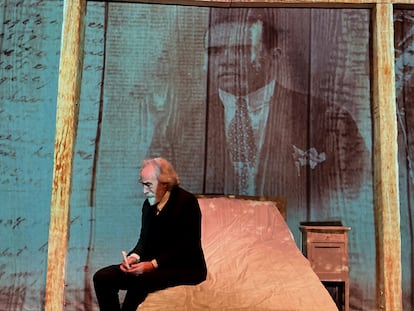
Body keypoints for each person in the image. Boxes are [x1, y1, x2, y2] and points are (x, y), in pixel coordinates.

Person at [204, 8, 369, 205]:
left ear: (275, 57)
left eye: (242, 49)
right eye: (215, 52)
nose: (226, 61)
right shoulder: (181, 126)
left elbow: (353, 199)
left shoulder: (330, 120)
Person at [93, 157, 207, 311]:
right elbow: (144, 239)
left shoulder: (187, 202)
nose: (144, 191)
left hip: (184, 268)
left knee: (140, 281)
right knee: (102, 277)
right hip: (152, 265)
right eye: (143, 185)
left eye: (148, 185)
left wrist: (152, 265)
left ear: (165, 183)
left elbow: (186, 248)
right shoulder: (148, 204)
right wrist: (134, 257)